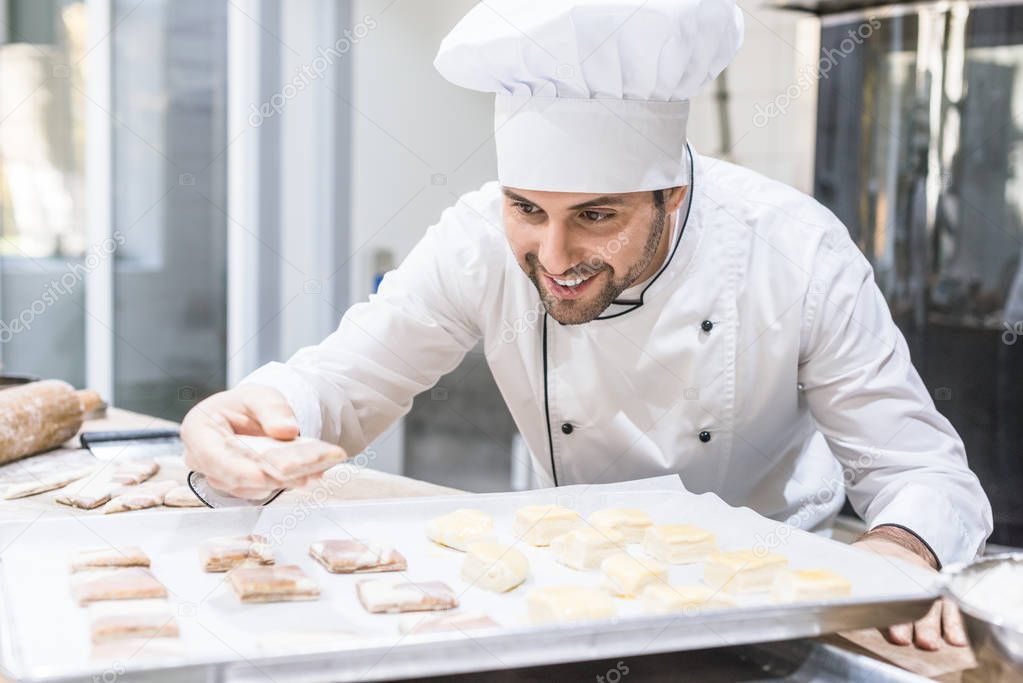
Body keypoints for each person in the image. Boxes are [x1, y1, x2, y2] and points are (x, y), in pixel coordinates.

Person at [182, 0, 991, 650]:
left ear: (670, 195)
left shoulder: (796, 251)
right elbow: (345, 378)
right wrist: (254, 414)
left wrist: (896, 551)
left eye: (596, 215)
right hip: (570, 596)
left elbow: (924, 471)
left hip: (771, 609)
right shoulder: (476, 240)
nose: (555, 255)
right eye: (526, 209)